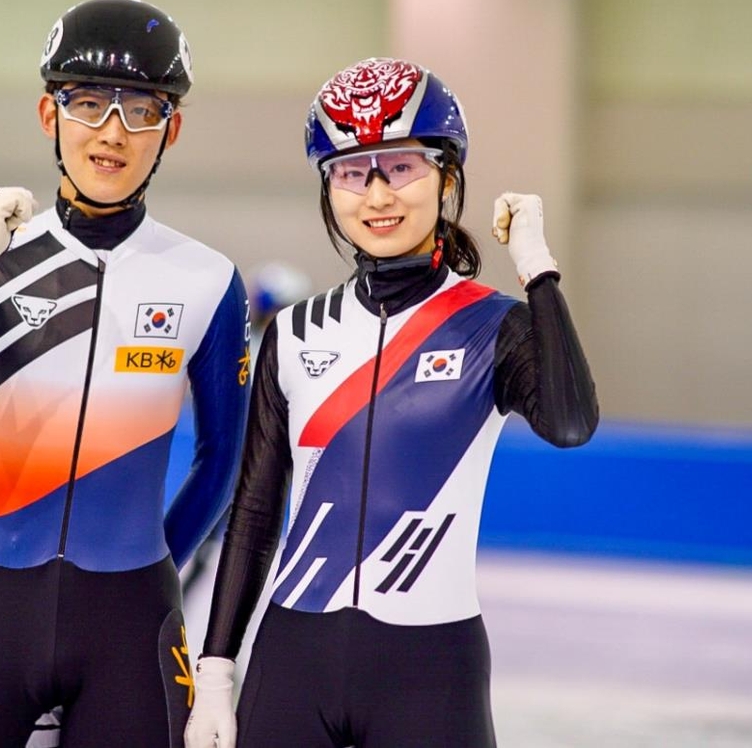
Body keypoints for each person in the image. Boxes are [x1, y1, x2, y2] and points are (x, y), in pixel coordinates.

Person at [185, 57, 599, 748]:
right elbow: (255, 511)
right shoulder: (292, 333)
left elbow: (570, 422)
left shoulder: (495, 327)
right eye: (352, 171)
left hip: (430, 671)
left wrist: (539, 271)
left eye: (401, 166)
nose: (377, 194)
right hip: (292, 660)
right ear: (328, 188)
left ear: (448, 177)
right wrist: (219, 670)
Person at [0, 0, 252, 748]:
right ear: (50, 117)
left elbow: (225, 461)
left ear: (170, 130)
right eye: (87, 103)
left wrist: (152, 577)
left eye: (140, 109)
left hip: (131, 621)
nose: (111, 131)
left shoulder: (209, 280)